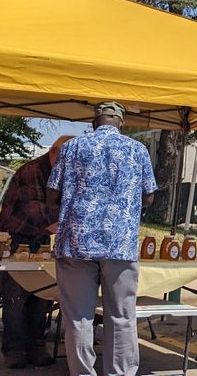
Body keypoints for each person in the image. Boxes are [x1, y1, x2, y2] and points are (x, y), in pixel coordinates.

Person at [47, 102, 157, 376]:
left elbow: (52, 193)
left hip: (75, 242)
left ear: (94, 122)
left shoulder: (71, 147)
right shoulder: (137, 150)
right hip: (120, 243)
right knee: (121, 316)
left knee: (78, 318)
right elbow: (149, 196)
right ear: (121, 121)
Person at [0, 135, 70, 369]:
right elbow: (37, 212)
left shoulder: (59, 171)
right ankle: (14, 350)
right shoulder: (31, 171)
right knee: (16, 296)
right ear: (53, 152)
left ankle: (37, 346)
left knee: (41, 295)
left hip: (40, 237)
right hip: (18, 236)